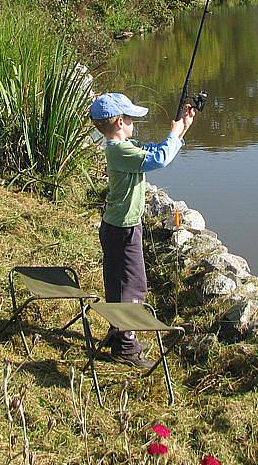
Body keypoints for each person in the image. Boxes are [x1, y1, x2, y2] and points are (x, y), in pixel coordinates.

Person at [89, 93, 195, 368]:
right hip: (123, 229)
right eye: (132, 119)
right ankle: (126, 348)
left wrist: (181, 129)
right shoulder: (120, 150)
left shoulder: (122, 146)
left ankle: (118, 334)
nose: (135, 123)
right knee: (133, 287)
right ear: (120, 122)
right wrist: (173, 133)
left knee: (117, 284)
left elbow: (157, 149)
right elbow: (159, 159)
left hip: (116, 226)